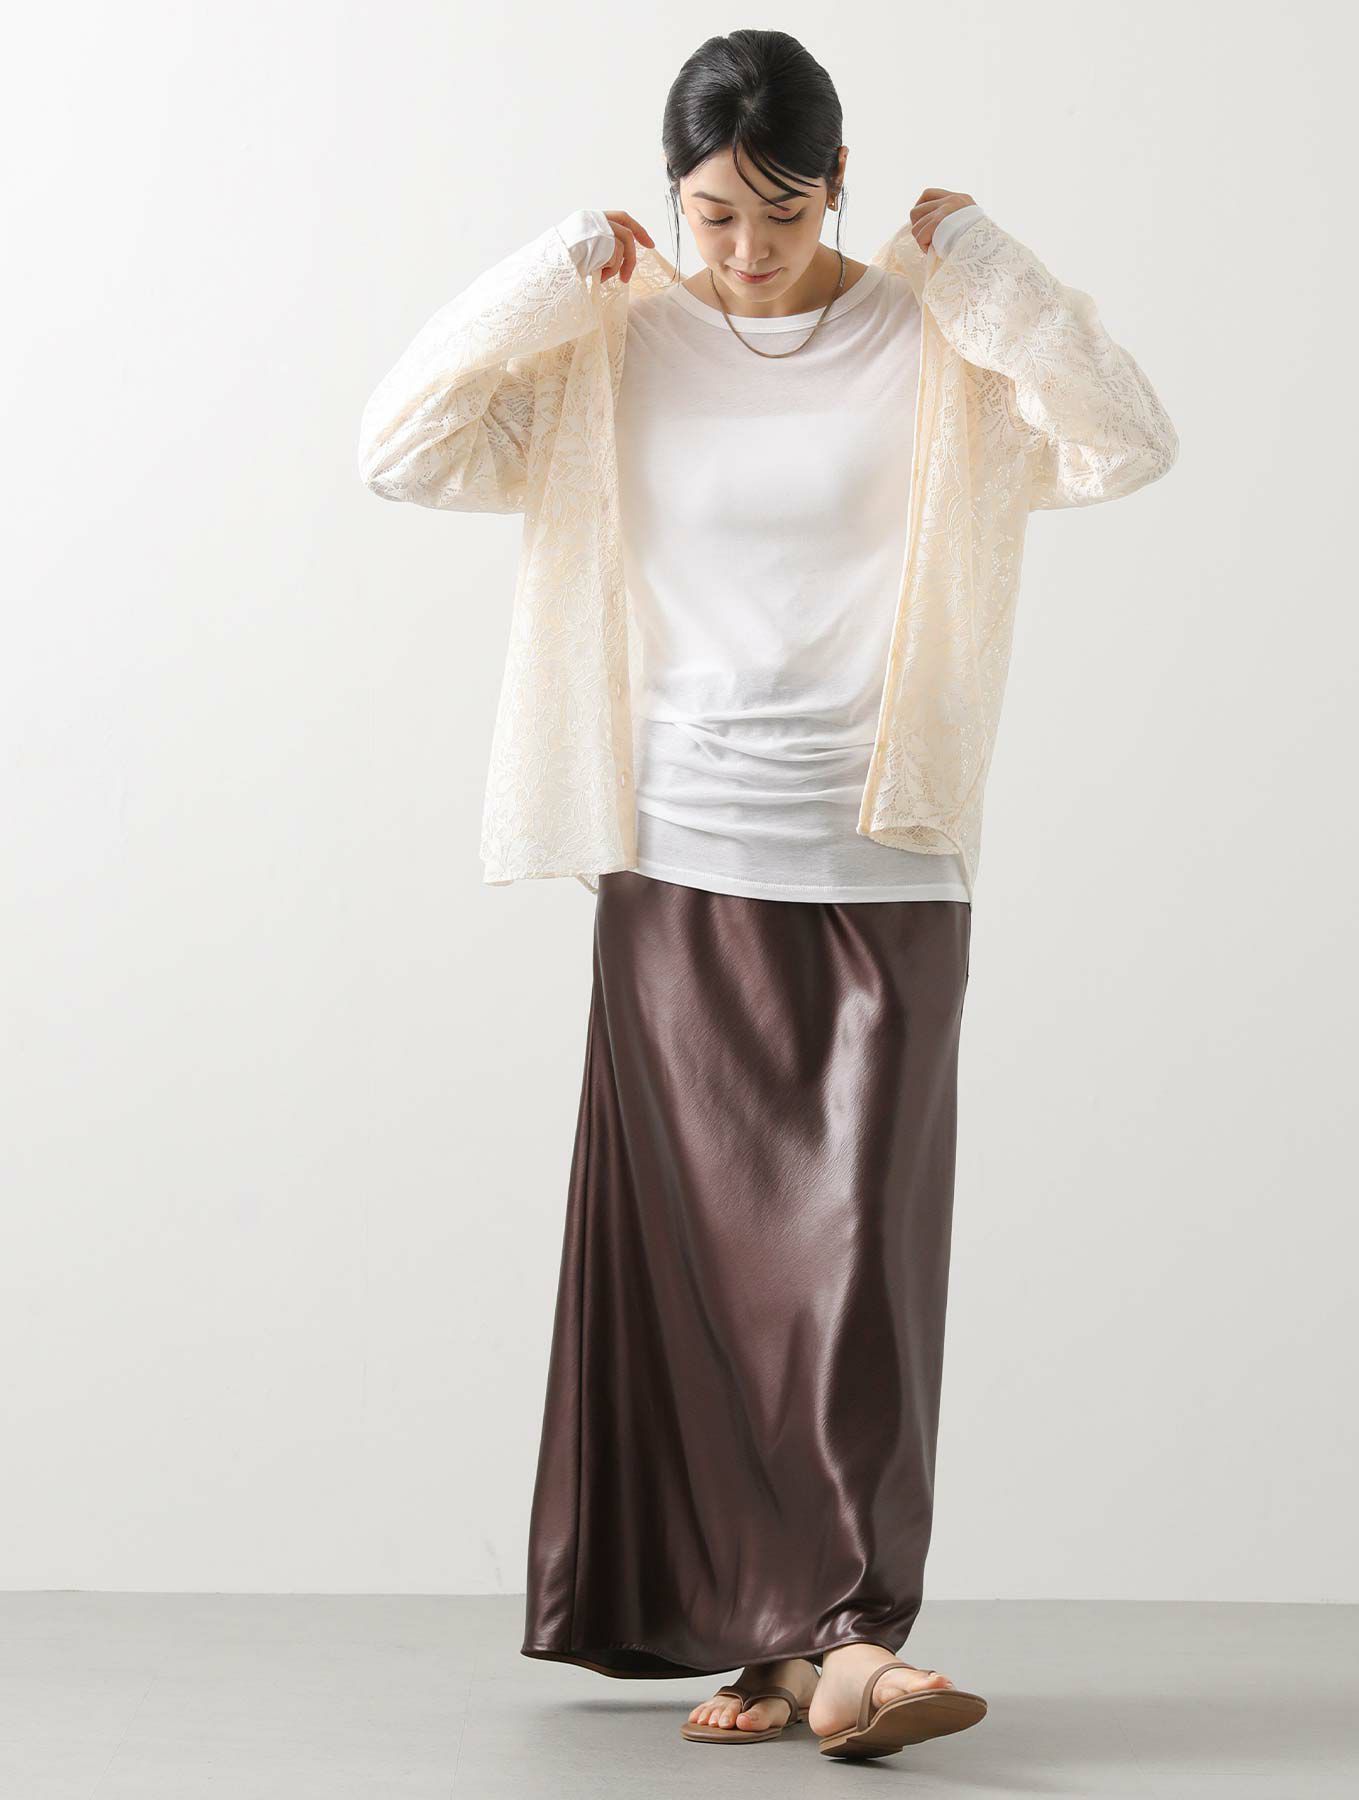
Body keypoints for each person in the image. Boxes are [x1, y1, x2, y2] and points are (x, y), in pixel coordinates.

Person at [357, 27, 1177, 1763]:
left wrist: (991, 268)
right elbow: (401, 448)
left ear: (841, 184)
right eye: (714, 214)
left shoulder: (929, 335)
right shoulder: (617, 342)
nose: (746, 251)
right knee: (711, 1276)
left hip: (883, 850)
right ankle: (789, 1643)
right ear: (672, 198)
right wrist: (552, 271)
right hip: (677, 853)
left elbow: (1123, 441)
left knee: (858, 1260)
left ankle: (858, 1630)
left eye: (784, 213)